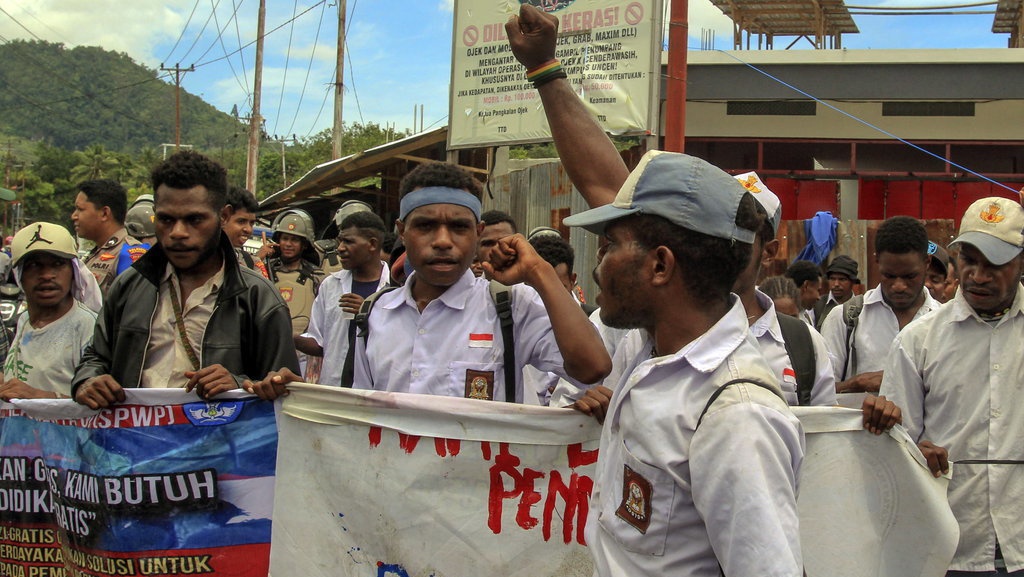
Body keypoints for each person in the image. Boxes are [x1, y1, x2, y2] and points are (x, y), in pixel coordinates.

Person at [505, 7, 805, 575]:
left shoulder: (734, 415)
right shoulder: (649, 350)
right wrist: (544, 67)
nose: (598, 267)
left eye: (612, 245)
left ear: (662, 266)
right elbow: (604, 183)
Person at [349, 162, 610, 401]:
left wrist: (538, 271)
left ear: (478, 233)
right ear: (402, 232)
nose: (442, 241)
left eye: (459, 227)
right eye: (425, 226)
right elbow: (361, 412)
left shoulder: (511, 306)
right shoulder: (374, 314)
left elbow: (593, 368)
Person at [71, 150, 299, 409]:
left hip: (220, 447)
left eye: (194, 219)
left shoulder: (259, 298)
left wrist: (238, 384)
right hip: (132, 445)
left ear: (222, 216)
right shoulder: (129, 287)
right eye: (166, 219)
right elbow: (96, 356)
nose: (178, 232)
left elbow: (283, 390)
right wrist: (87, 381)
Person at [880, 196, 1024, 576]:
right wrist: (915, 454)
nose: (978, 275)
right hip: (951, 548)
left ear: (1021, 262)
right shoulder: (918, 341)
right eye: (969, 260)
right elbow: (894, 448)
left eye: (995, 264)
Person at [820, 216, 940, 394]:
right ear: (877, 262)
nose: (899, 286)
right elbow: (820, 395)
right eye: (889, 276)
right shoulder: (846, 318)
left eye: (909, 276)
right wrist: (857, 384)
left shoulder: (943, 322)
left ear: (927, 263)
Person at [0, 223, 100, 400]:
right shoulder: (24, 320)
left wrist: (38, 396)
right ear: (19, 275)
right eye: (34, 265)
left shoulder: (88, 327)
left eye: (58, 264)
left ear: (73, 272)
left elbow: (99, 406)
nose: (47, 275)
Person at [296, 211, 390, 386]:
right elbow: (319, 343)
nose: (339, 248)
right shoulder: (330, 286)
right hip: (334, 392)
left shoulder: (395, 289)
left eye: (348, 241)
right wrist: (288, 335)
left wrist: (370, 314)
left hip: (377, 394)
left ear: (372, 244)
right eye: (340, 241)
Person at [265, 209, 325, 373]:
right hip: (269, 348)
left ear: (304, 244)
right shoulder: (265, 271)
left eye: (294, 240)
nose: (288, 244)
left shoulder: (316, 276)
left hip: (304, 353)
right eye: (285, 238)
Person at [72, 179, 146, 295]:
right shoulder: (94, 253)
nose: (74, 216)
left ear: (104, 213)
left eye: (80, 209)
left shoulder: (130, 254)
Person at [221, 185, 270, 278]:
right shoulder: (196, 260)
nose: (248, 229)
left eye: (251, 223)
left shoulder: (252, 263)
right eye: (241, 221)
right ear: (223, 217)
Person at [812, 255, 859, 331]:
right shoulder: (816, 305)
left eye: (842, 279)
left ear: (852, 282)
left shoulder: (861, 307)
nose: (836, 284)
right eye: (832, 279)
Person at [473, 210, 518, 277]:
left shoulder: (536, 285)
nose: (496, 249)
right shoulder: (464, 287)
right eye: (488, 244)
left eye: (505, 242)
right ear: (476, 249)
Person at [784, 259, 823, 327]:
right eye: (818, 290)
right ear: (806, 286)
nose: (818, 297)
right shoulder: (784, 315)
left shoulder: (806, 315)